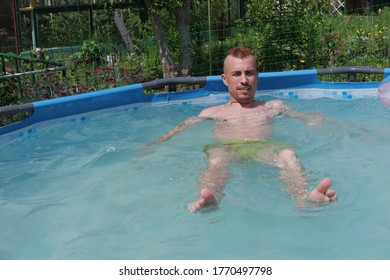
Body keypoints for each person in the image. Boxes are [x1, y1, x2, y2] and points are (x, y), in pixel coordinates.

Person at [156, 46, 336, 212]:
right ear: (225, 79)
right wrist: (152, 147)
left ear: (257, 76)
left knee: (287, 154)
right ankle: (211, 198)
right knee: (217, 159)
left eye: (249, 73)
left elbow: (306, 117)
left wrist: (318, 121)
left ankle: (303, 198)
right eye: (236, 74)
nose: (244, 80)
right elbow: (179, 129)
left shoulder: (273, 106)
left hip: (264, 148)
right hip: (229, 149)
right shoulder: (212, 112)